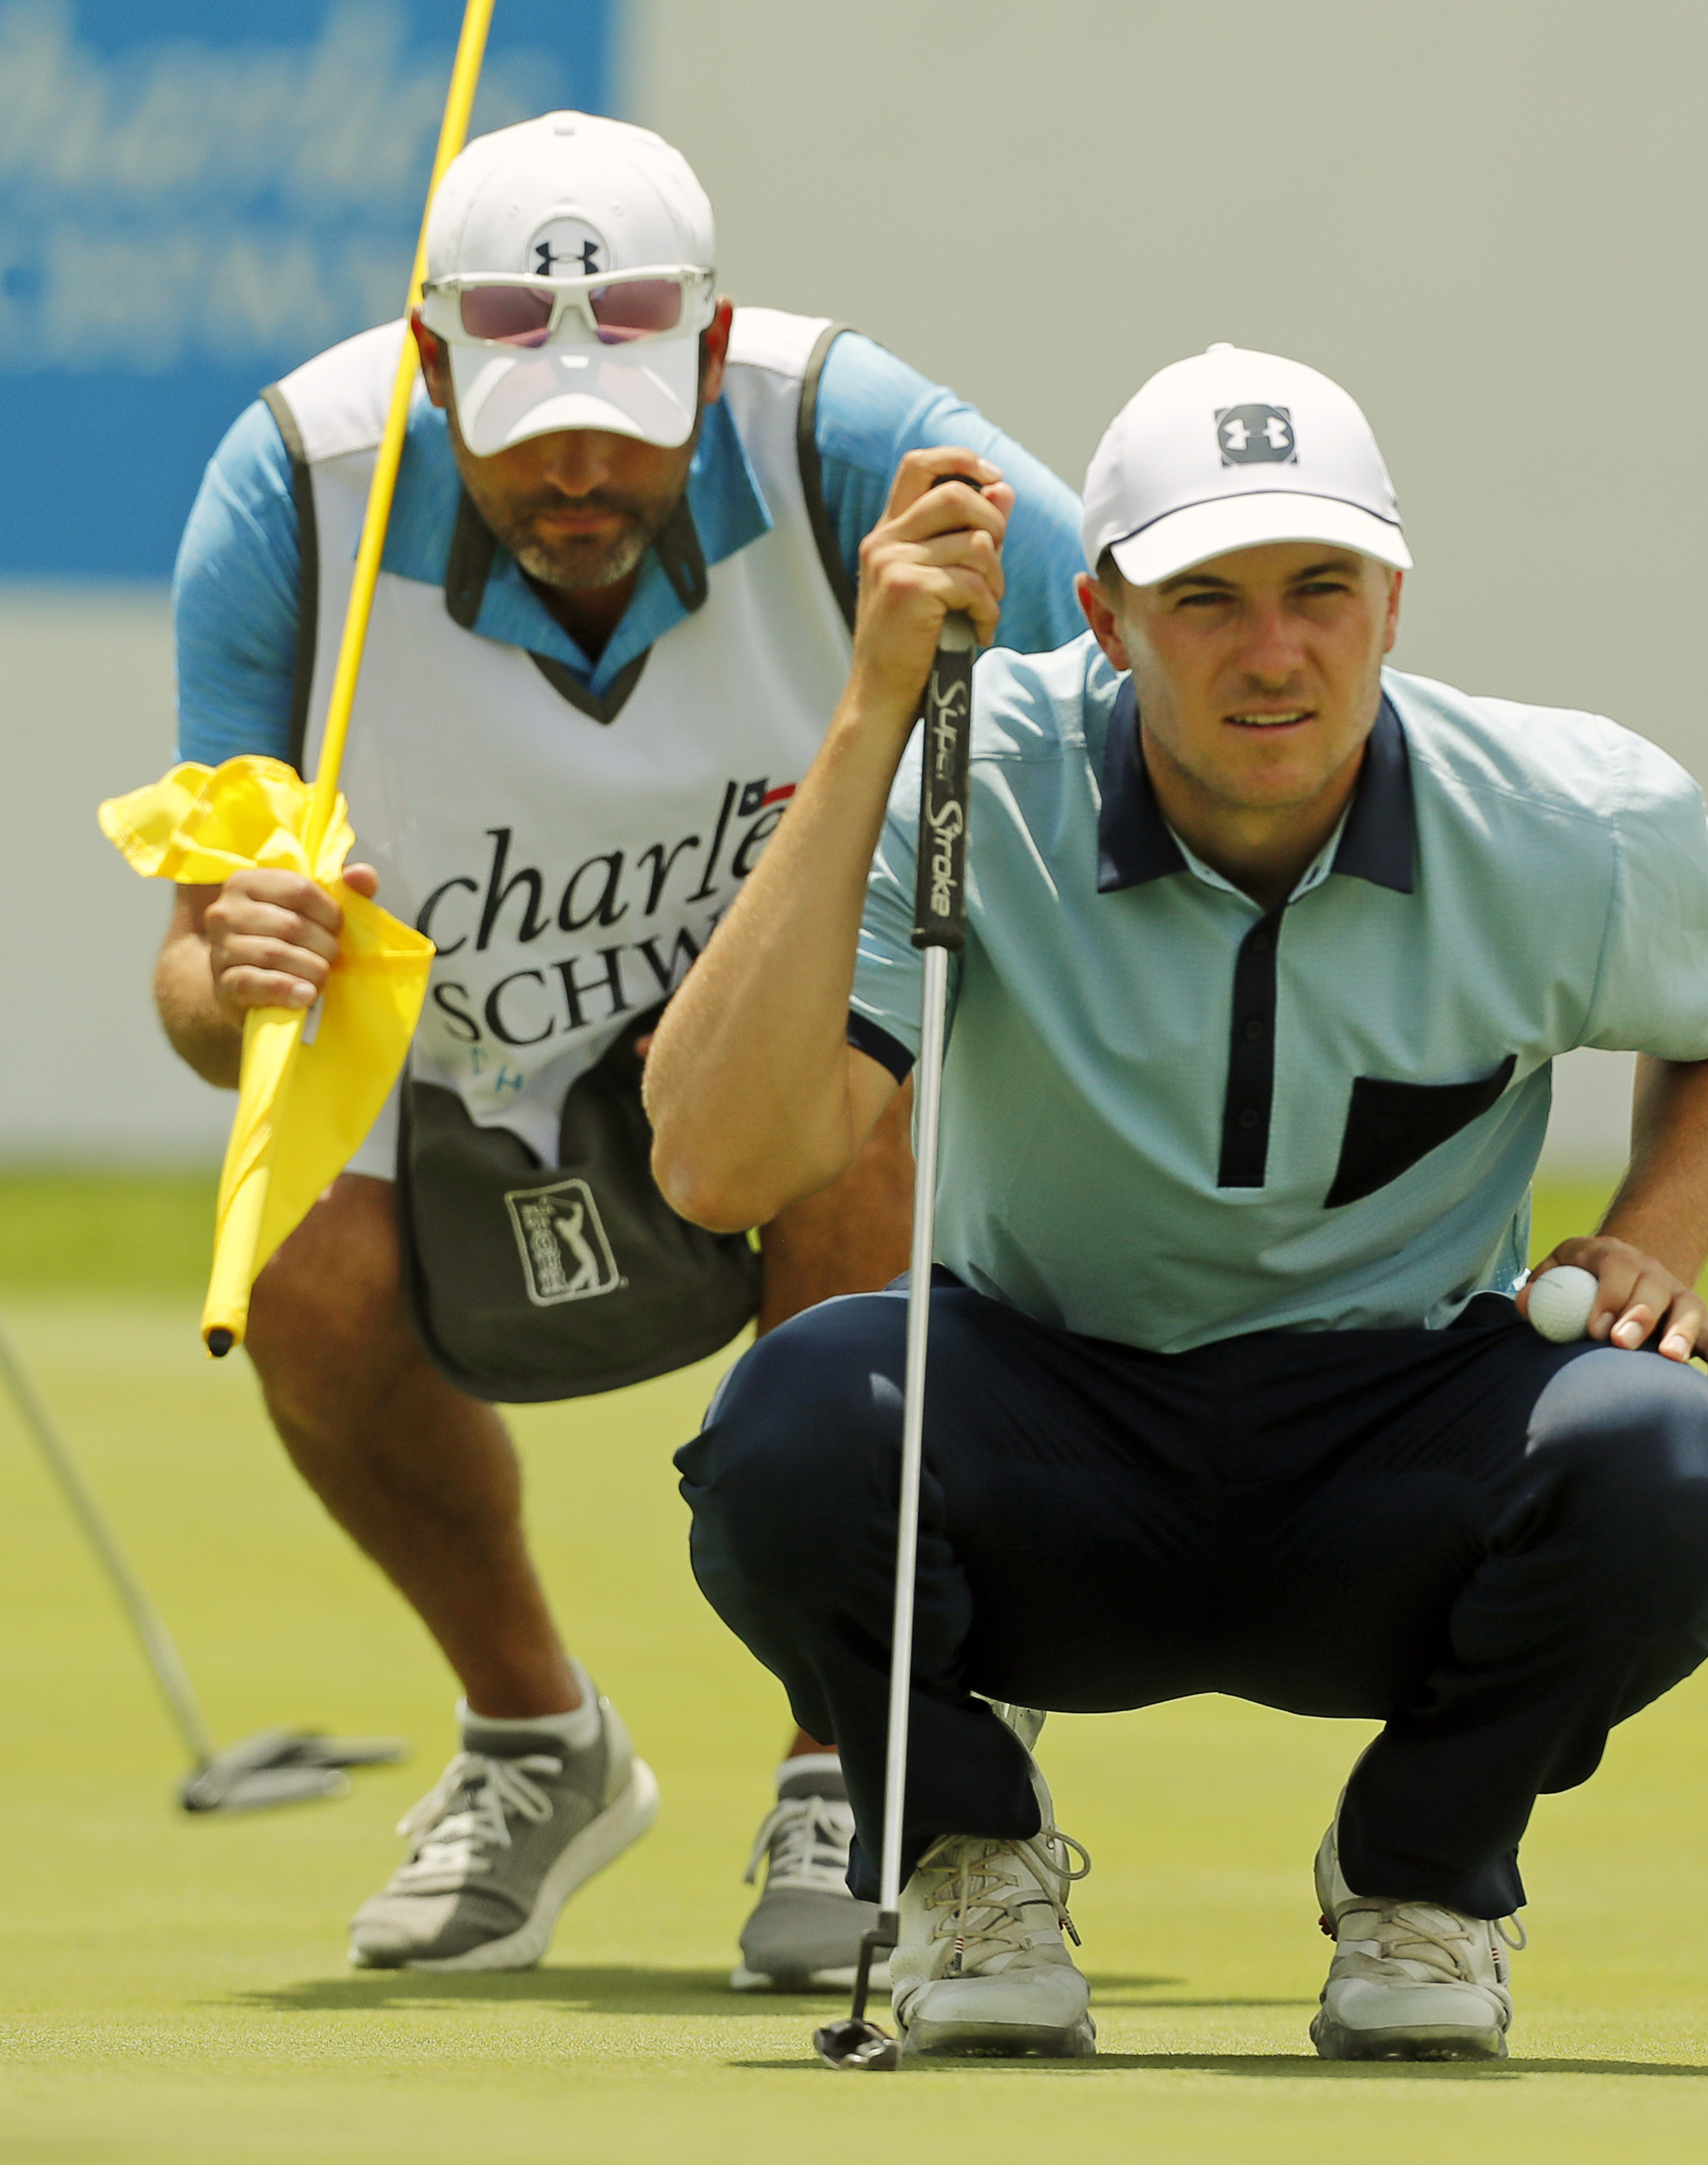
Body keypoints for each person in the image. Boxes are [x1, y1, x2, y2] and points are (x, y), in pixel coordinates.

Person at [645, 343, 1708, 2061]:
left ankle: (1422, 1871)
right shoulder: (968, 772)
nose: (1275, 652)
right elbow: (717, 1165)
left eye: (1320, 588)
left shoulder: (1574, 818)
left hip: (1399, 1452)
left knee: (1667, 1456)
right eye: (1206, 600)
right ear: (1105, 619)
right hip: (1049, 1436)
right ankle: (970, 1846)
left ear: (1394, 601)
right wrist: (869, 716)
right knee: (793, 1423)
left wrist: (1657, 1241)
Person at [149, 112, 1085, 1983]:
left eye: (627, 418)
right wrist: (232, 965)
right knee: (289, 1265)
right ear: (431, 372)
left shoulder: (865, 442)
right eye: (522, 429)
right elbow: (197, 990)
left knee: (845, 1114)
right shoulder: (292, 492)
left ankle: (852, 1761)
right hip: (470, 1097)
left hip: (801, 1071)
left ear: (713, 355)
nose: (578, 468)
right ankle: (537, 1743)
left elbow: (1153, 707)